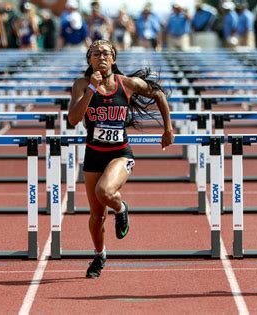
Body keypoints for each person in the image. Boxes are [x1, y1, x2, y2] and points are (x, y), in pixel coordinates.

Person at [67, 40, 174, 279]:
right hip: (94, 154)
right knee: (97, 216)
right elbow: (73, 119)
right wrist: (92, 91)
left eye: (106, 53)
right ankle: (99, 255)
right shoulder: (82, 85)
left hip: (120, 153)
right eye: (96, 54)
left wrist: (168, 128)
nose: (101, 57)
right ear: (89, 60)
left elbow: (158, 93)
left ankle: (121, 207)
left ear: (114, 59)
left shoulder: (127, 83)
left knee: (104, 192)